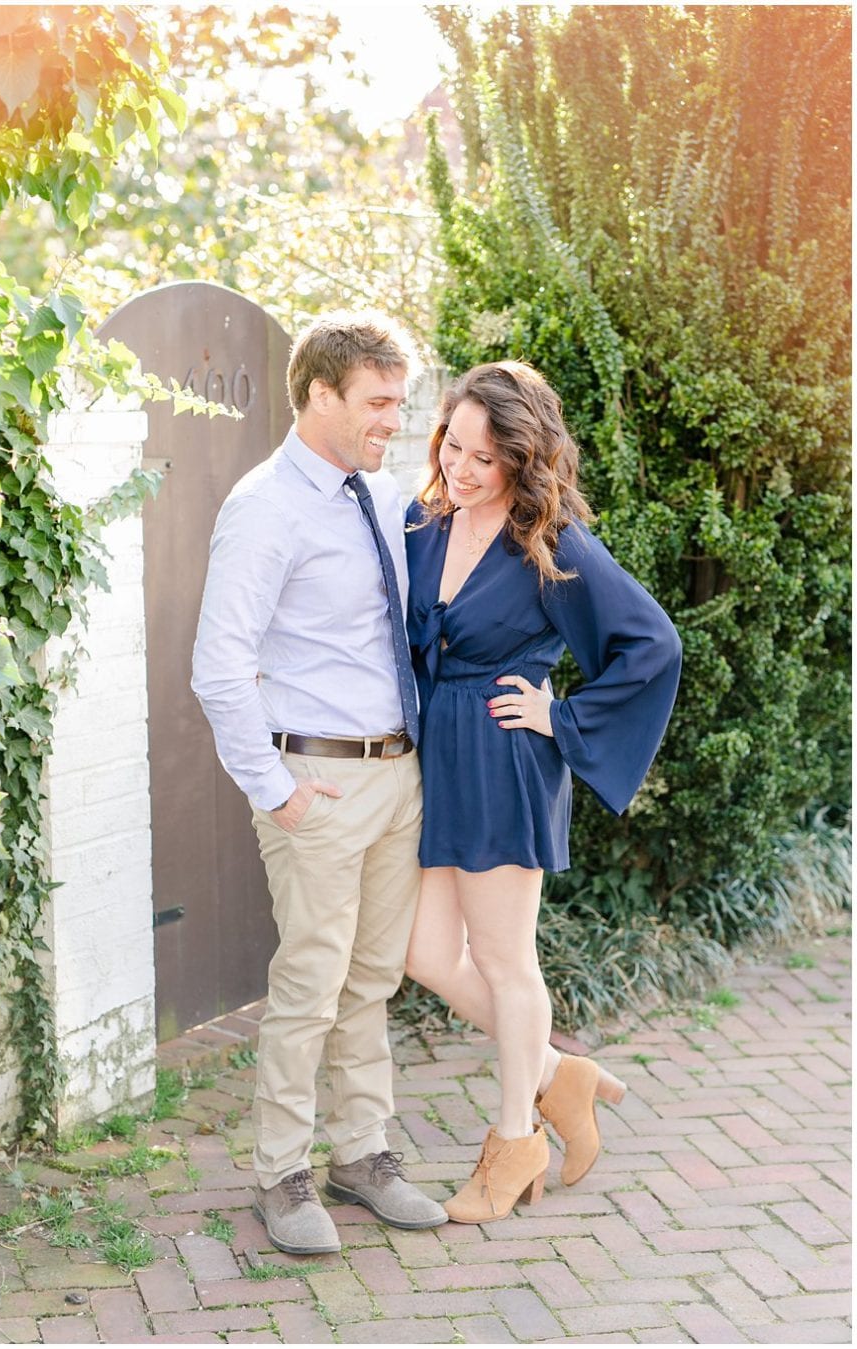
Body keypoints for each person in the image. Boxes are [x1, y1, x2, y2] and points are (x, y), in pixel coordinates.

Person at [400, 360, 682, 1223]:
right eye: (455, 445)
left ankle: (515, 1138)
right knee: (420, 951)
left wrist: (561, 716)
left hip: (502, 759)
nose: (464, 467)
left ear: (523, 460)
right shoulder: (421, 520)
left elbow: (653, 644)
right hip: (432, 758)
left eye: (486, 457)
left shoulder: (549, 541)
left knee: (504, 960)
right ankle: (564, 1077)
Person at [191, 312, 446, 1256]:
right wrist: (276, 791)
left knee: (372, 978)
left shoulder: (377, 495)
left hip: (395, 773)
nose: (395, 417)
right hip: (318, 783)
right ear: (321, 394)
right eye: (379, 401)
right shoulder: (267, 505)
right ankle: (282, 1173)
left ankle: (365, 1155)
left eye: (399, 398)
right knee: (311, 981)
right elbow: (219, 664)